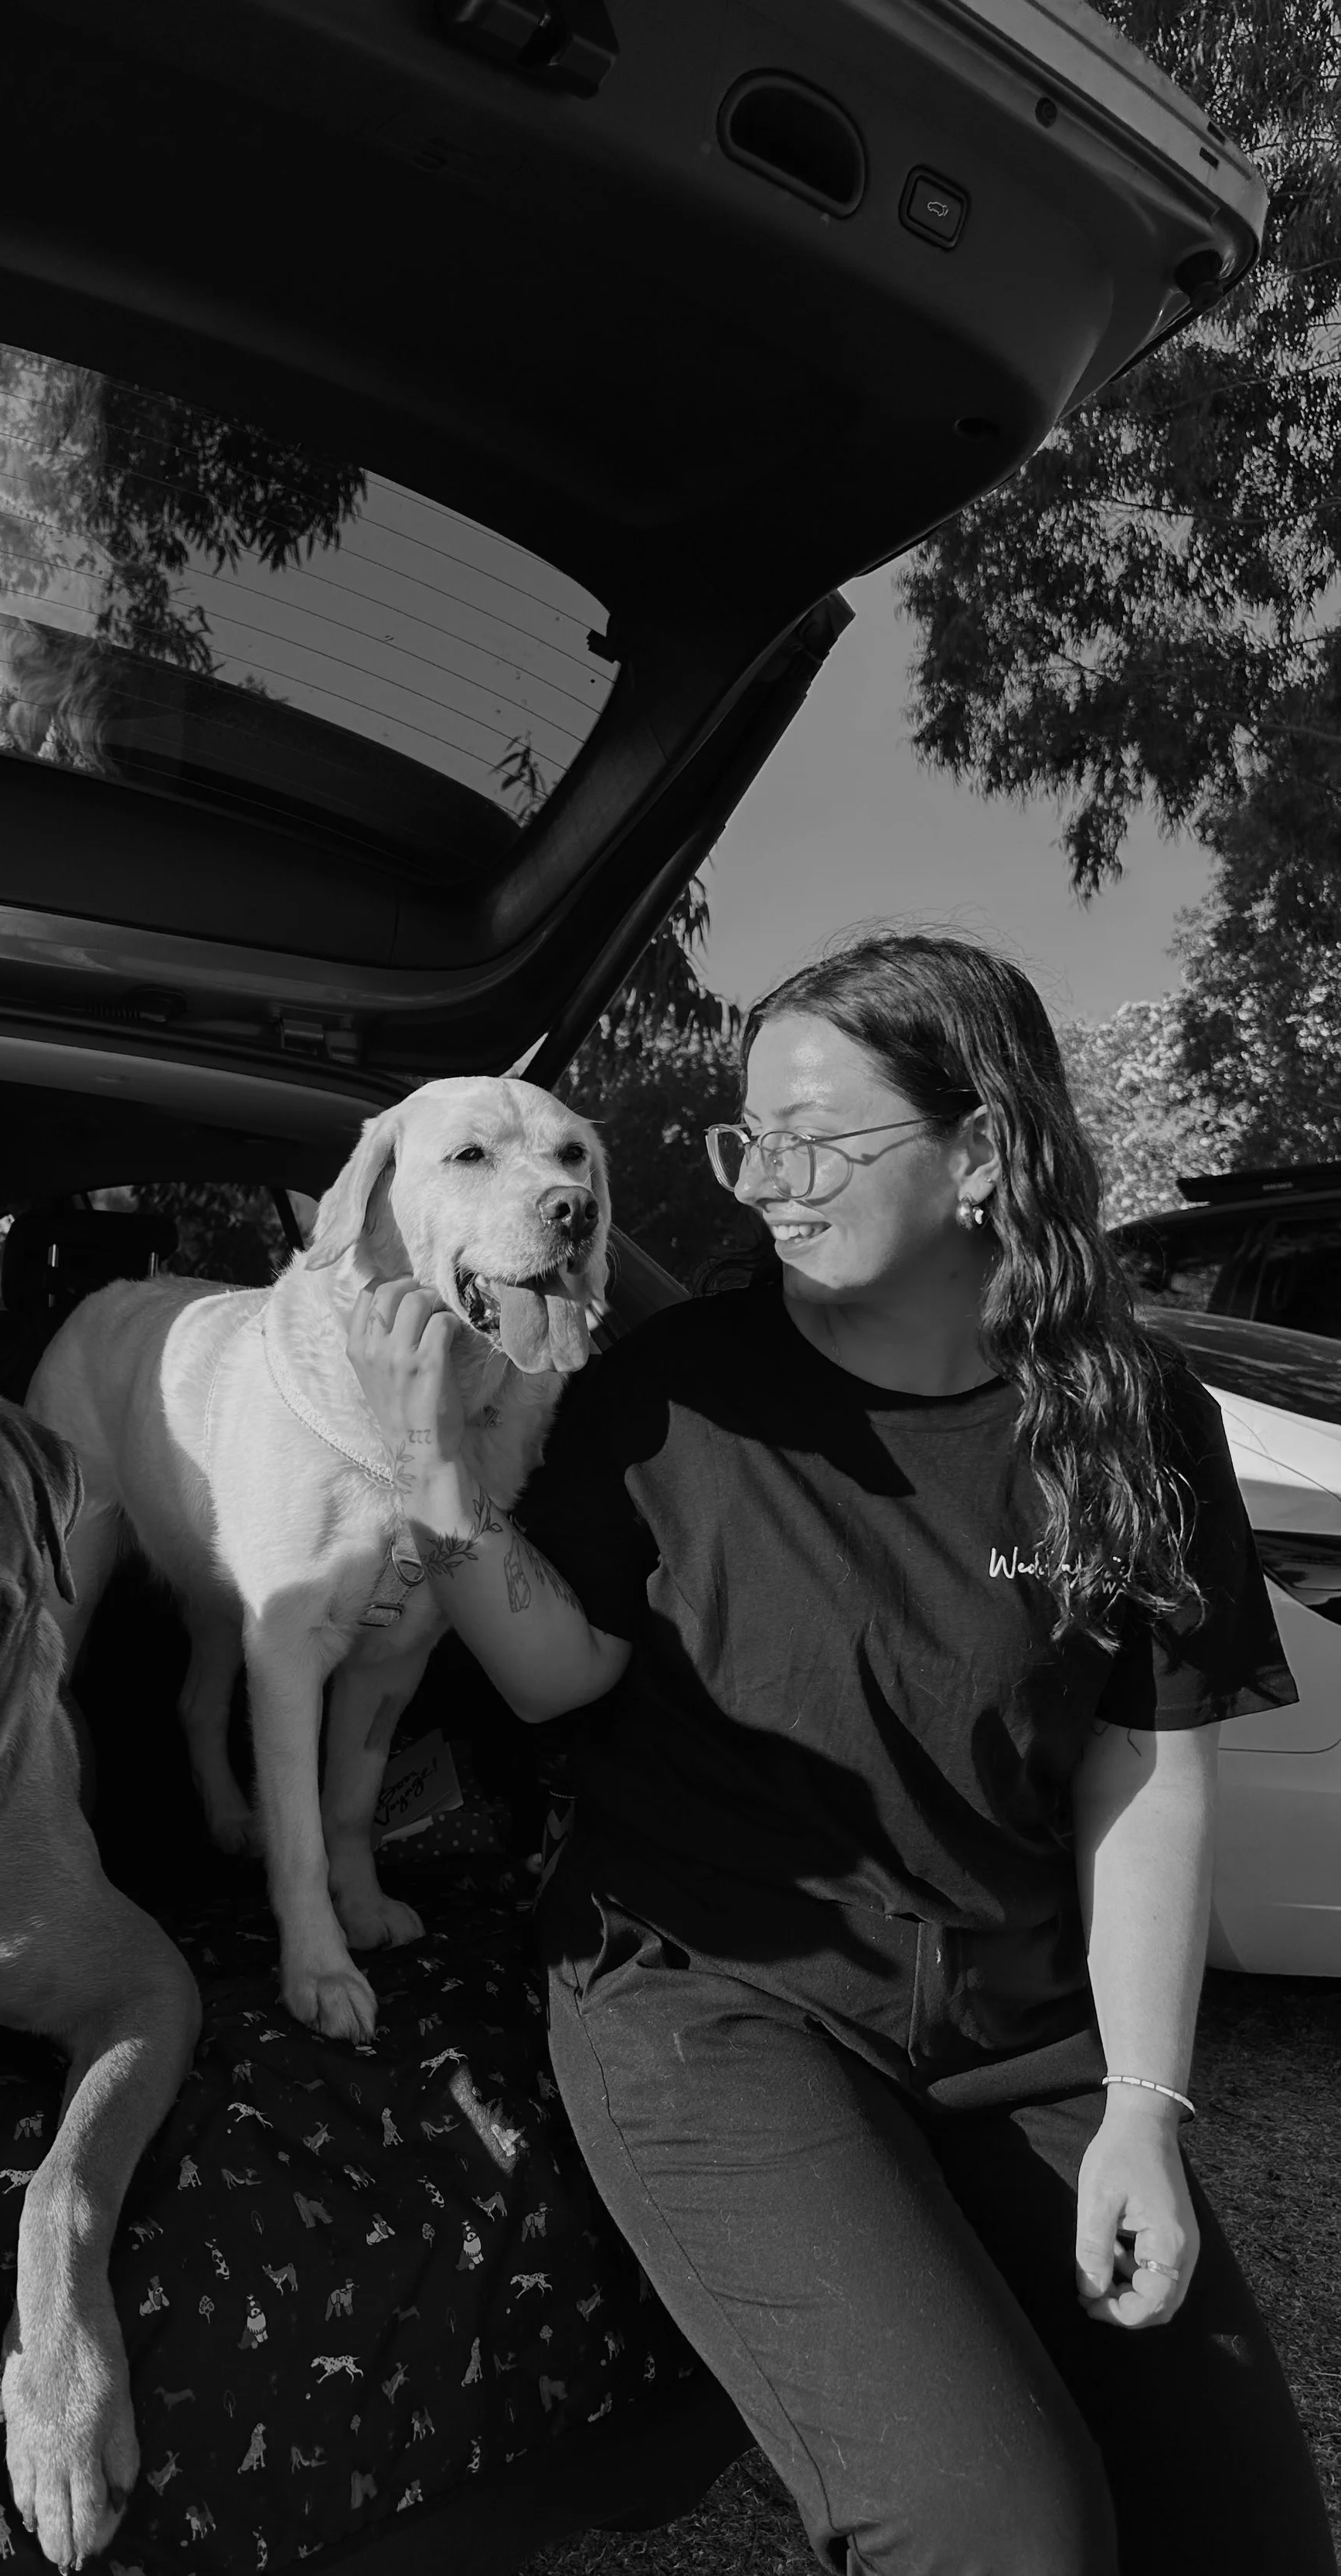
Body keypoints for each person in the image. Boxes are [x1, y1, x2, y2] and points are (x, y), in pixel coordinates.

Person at [345, 932, 1335, 2576]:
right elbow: (548, 1676)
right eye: (748, 1141)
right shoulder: (673, 1395)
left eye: (813, 1138)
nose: (766, 1185)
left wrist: (1144, 2109)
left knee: (1245, 2546)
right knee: (999, 2534)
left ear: (982, 1148)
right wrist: (427, 1475)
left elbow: (1141, 1775)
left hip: (1014, 2028)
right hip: (711, 1999)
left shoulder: (1133, 1418)